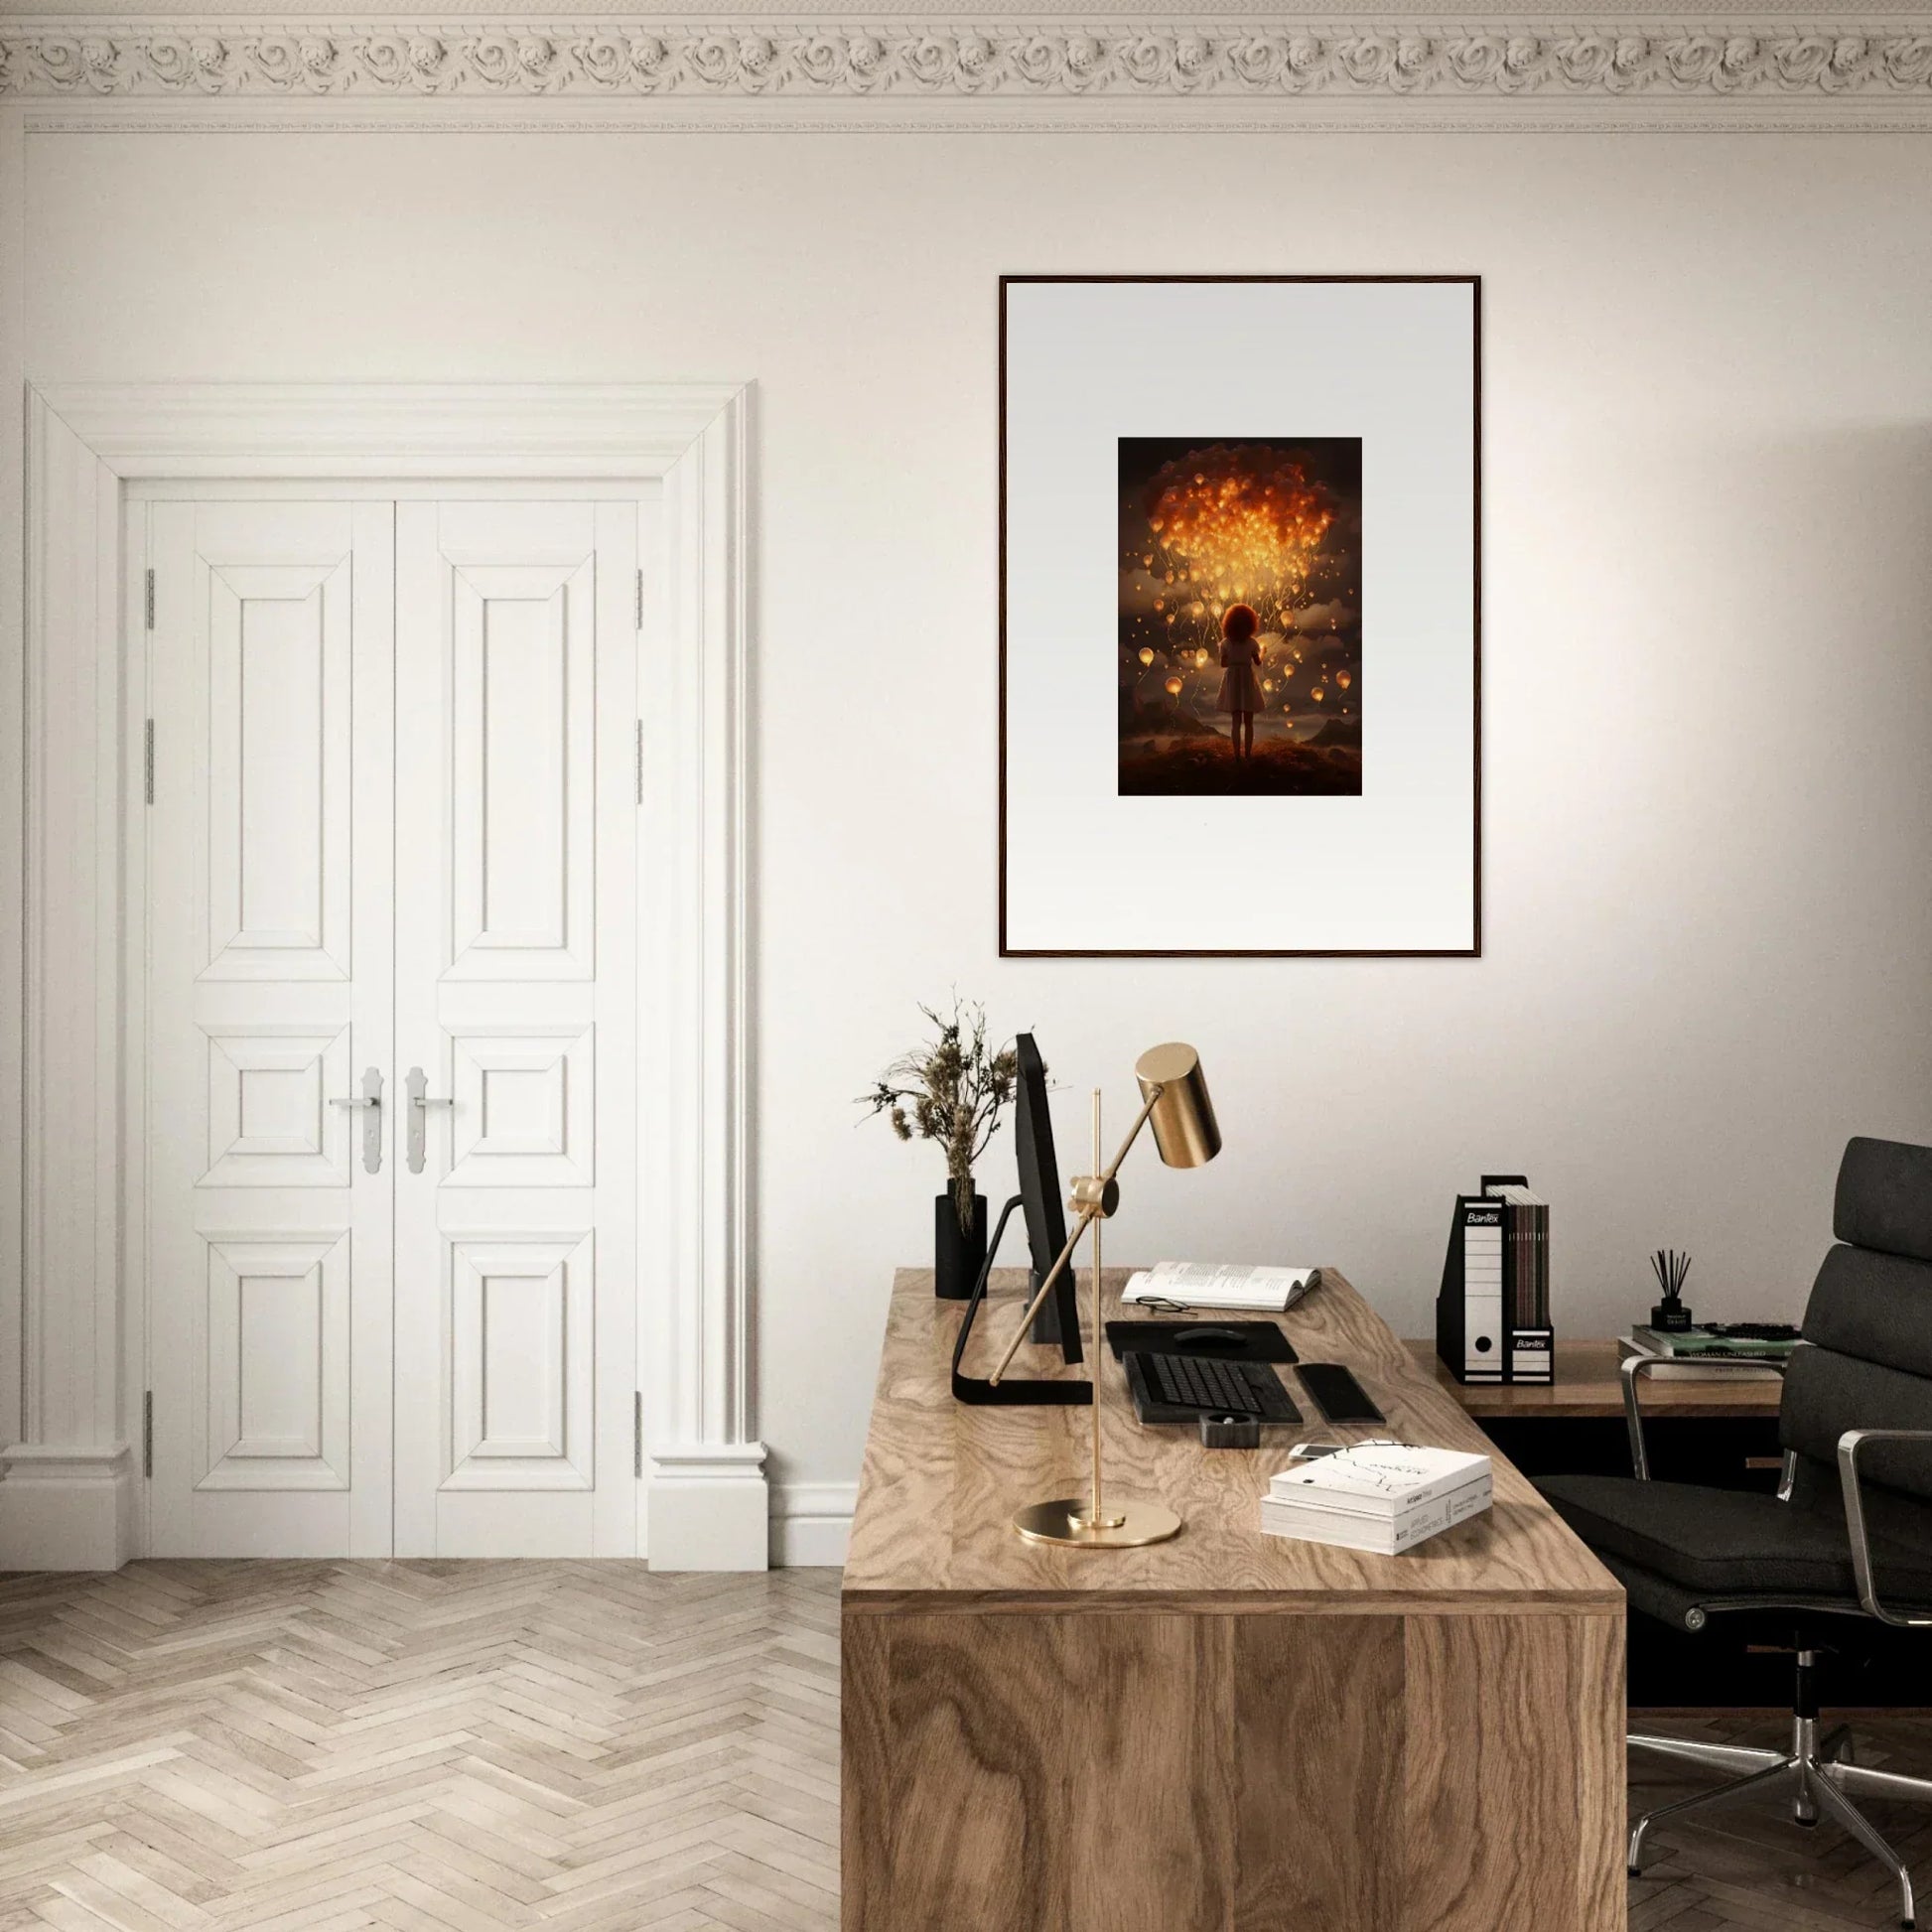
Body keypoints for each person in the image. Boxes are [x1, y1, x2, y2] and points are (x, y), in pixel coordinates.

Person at [1215, 604, 1263, 760]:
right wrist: (1262, 653)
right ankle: (1248, 755)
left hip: (1233, 678)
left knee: (1236, 721)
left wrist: (1234, 660)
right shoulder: (1252, 643)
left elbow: (1223, 664)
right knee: (1249, 722)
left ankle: (1237, 756)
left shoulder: (1225, 643)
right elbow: (1258, 663)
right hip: (1247, 679)